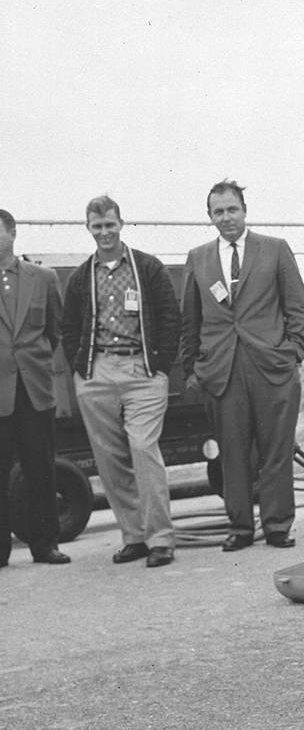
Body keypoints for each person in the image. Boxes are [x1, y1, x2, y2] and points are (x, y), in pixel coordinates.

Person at [180, 180, 304, 551]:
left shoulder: (275, 249)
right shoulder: (198, 258)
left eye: (232, 209)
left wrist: (294, 349)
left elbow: (295, 305)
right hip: (222, 369)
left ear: (244, 210)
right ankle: (239, 526)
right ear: (209, 217)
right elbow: (191, 318)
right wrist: (192, 368)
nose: (226, 217)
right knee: (231, 451)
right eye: (218, 212)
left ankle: (278, 524)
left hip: (272, 365)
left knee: (276, 448)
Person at [61, 195, 180, 568]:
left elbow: (169, 317)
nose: (105, 232)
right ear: (88, 229)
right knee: (110, 461)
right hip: (98, 374)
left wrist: (160, 365)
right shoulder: (83, 276)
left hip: (141, 373)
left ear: (121, 223)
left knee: (144, 449)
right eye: (97, 227)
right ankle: (135, 537)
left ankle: (161, 538)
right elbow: (69, 327)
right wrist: (81, 369)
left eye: (110, 225)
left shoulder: (147, 268)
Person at [0, 209, 70, 567]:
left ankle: (46, 545)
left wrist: (33, 361)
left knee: (41, 468)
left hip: (34, 389)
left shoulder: (43, 278)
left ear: (13, 233)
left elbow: (54, 330)